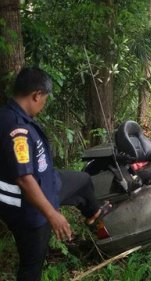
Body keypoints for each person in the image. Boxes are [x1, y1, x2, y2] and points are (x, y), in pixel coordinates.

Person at [0, 67, 111, 281]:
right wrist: (52, 215)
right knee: (32, 265)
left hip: (48, 182)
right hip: (30, 209)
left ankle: (93, 216)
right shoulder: (17, 130)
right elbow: (24, 179)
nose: (43, 104)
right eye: (44, 99)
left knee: (83, 180)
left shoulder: (8, 114)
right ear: (37, 95)